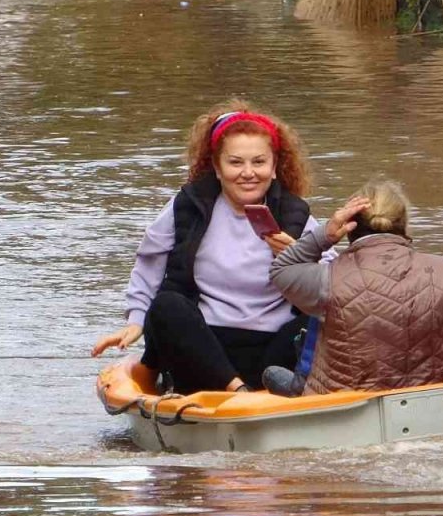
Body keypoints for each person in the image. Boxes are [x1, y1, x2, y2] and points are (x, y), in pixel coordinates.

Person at [91, 99, 326, 394]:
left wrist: (299, 262)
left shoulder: (298, 216)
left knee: (322, 317)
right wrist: (136, 320)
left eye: (259, 162)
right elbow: (149, 264)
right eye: (235, 162)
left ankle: (260, 394)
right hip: (204, 347)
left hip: (273, 353)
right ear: (216, 167)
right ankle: (237, 392)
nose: (248, 173)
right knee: (167, 307)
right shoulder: (188, 206)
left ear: (275, 167)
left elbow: (336, 287)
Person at [266, 178, 443, 395]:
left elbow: (281, 269)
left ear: (349, 227)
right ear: (405, 226)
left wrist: (325, 235)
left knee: (275, 370)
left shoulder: (325, 279)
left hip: (347, 409)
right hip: (442, 402)